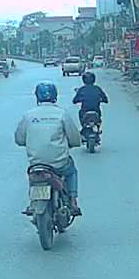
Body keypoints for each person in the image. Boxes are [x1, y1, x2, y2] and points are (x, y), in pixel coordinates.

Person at [14, 82, 83, 216]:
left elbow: (19, 139)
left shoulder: (28, 115)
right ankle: (73, 200)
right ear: (55, 96)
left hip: (37, 163)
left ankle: (33, 202)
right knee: (71, 171)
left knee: (35, 176)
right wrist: (72, 144)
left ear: (37, 96)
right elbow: (74, 138)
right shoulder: (62, 114)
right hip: (59, 163)